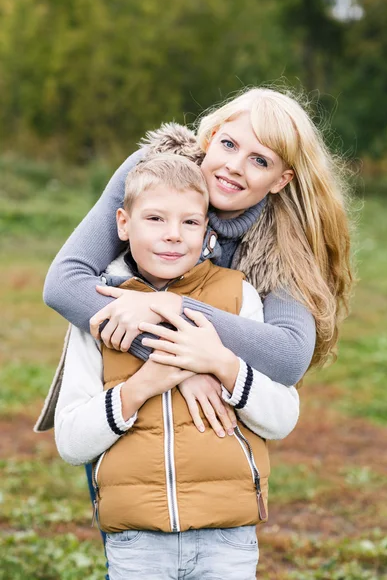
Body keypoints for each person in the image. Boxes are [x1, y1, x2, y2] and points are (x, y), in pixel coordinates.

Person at [54, 153, 300, 580]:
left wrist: (220, 364)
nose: (173, 236)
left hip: (228, 537)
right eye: (155, 219)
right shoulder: (100, 312)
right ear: (123, 224)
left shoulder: (237, 298)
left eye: (190, 222)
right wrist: (143, 385)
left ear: (208, 229)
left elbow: (283, 418)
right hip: (136, 540)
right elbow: (71, 443)